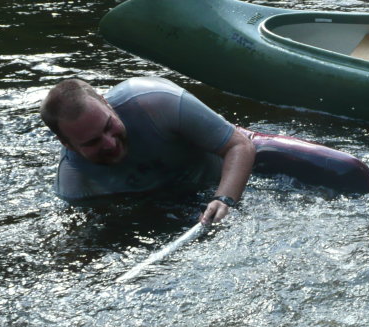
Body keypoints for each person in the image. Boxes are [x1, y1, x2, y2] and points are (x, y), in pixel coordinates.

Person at [40, 76, 255, 225]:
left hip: (232, 172)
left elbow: (239, 145)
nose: (110, 143)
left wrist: (225, 199)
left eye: (108, 126)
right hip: (174, 207)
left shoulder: (155, 102)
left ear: (107, 104)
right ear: (67, 144)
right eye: (92, 142)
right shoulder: (74, 182)